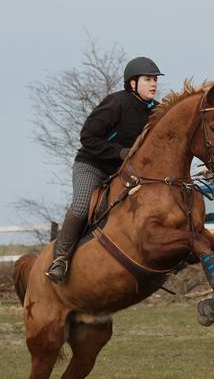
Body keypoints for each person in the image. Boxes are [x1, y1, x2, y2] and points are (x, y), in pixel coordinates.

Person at [45, 56, 163, 283]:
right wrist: (120, 153)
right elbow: (87, 137)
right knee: (81, 206)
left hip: (125, 173)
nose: (154, 84)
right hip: (92, 166)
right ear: (132, 83)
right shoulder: (115, 103)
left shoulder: (156, 112)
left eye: (155, 80)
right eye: (148, 79)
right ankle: (60, 259)